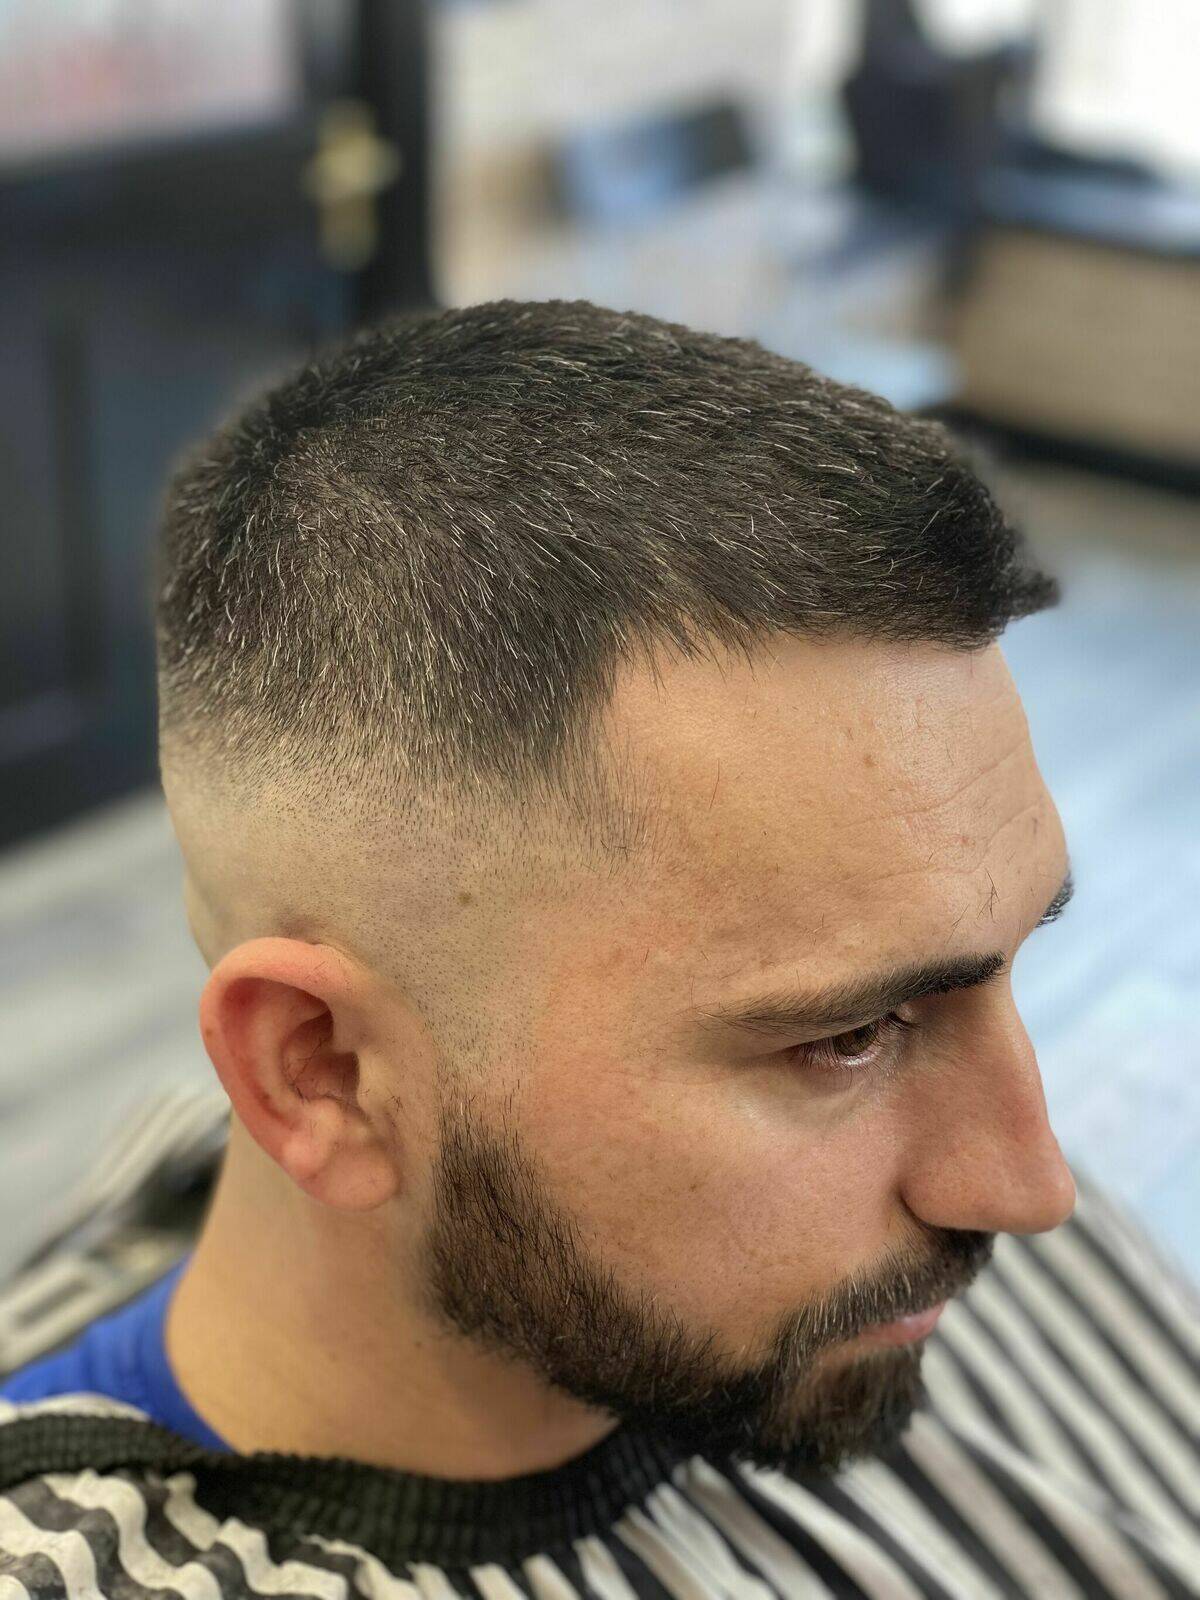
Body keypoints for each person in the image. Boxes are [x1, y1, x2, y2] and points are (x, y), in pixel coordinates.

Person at [2, 299, 1196, 1597]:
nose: (1034, 1187)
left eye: (1013, 959)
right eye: (849, 1038)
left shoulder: (866, 1272)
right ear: (325, 1073)